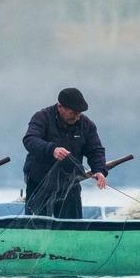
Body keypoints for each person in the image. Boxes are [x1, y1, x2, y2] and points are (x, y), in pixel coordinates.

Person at [23, 87, 108, 219]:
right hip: (39, 182)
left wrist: (99, 170)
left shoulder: (86, 125)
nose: (77, 116)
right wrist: (52, 150)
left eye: (79, 113)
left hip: (70, 184)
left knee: (73, 225)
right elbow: (30, 140)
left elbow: (95, 151)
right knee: (37, 225)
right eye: (73, 112)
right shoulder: (42, 117)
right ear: (60, 106)